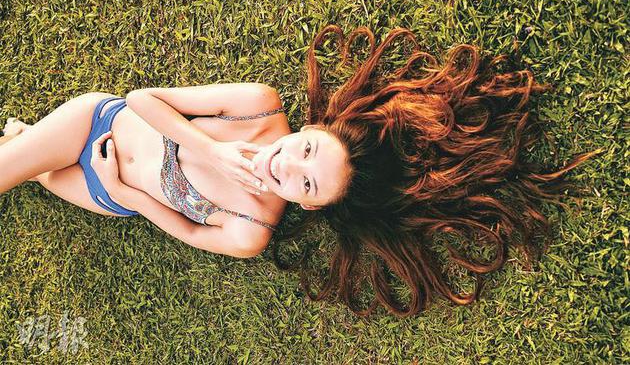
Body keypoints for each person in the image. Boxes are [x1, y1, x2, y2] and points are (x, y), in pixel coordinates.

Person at [0, 24, 599, 317]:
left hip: (107, 191)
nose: (288, 165)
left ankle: (26, 144)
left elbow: (185, 230)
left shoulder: (252, 229)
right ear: (313, 127)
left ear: (310, 205)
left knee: (33, 173)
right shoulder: (258, 106)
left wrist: (125, 192)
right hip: (99, 121)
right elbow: (142, 99)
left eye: (306, 183)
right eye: (308, 150)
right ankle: (28, 145)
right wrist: (210, 150)